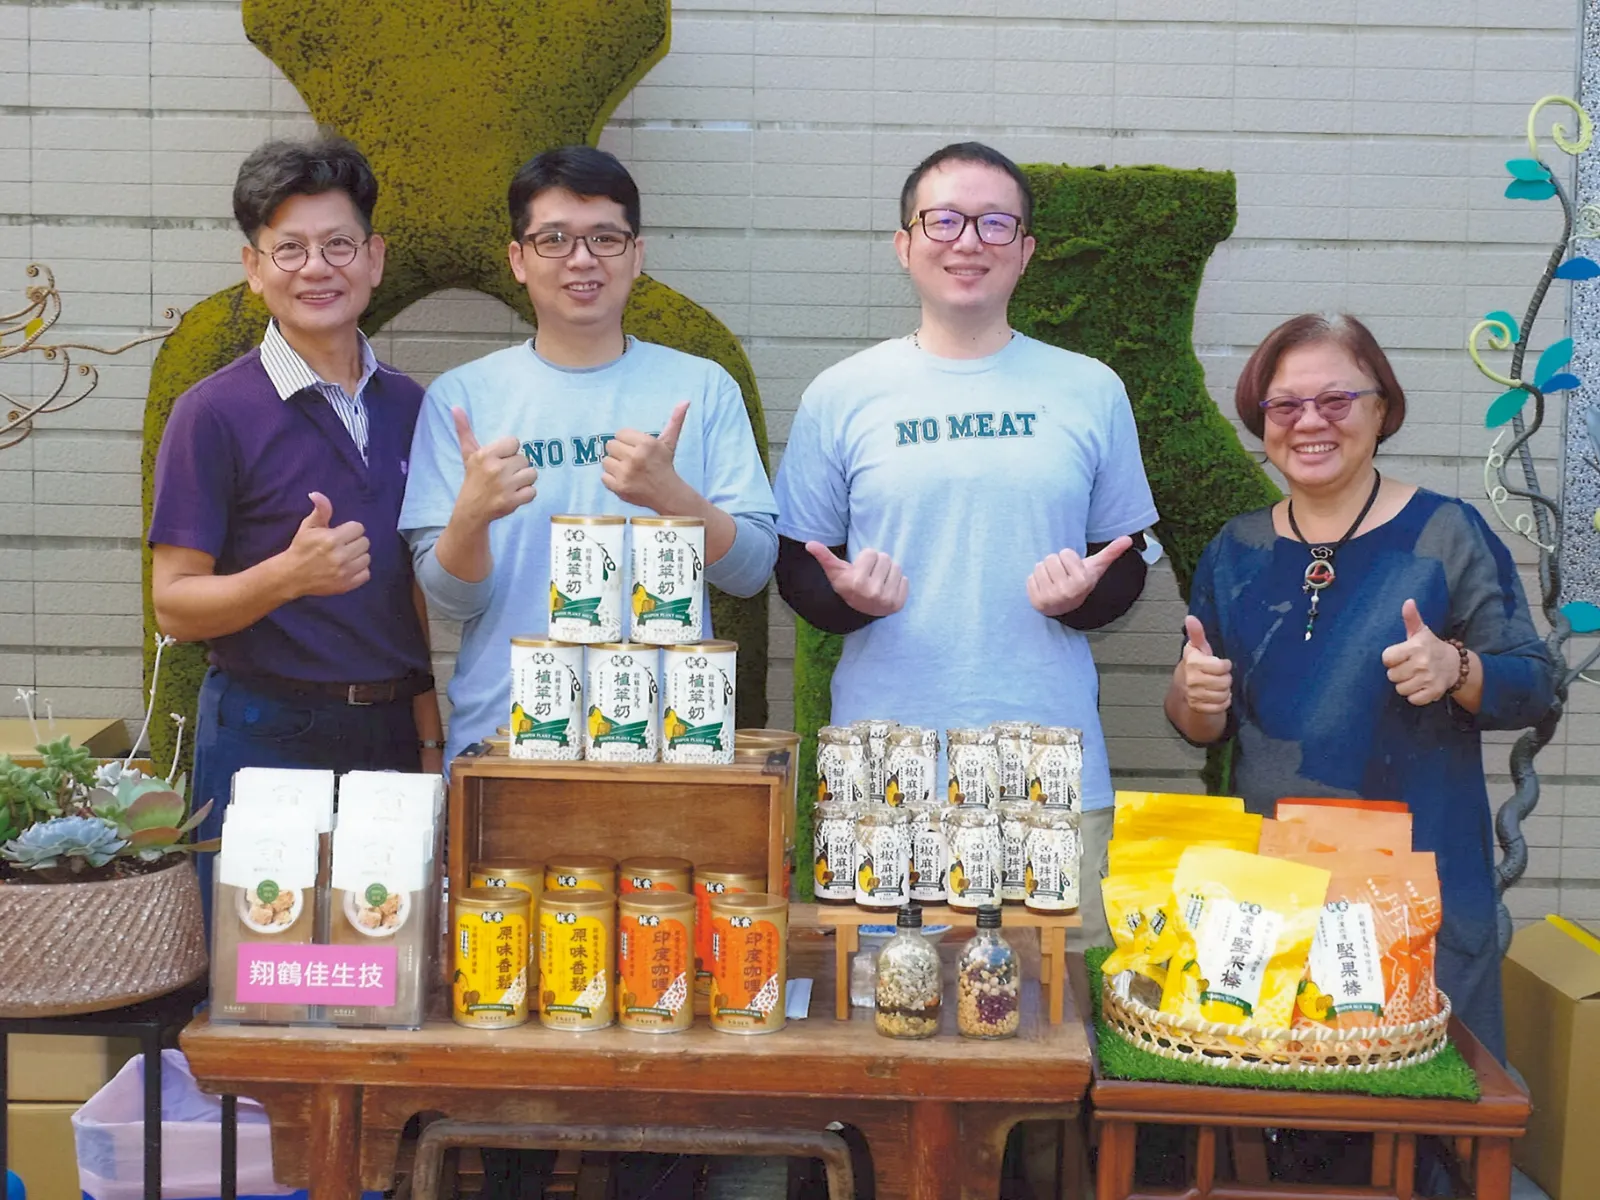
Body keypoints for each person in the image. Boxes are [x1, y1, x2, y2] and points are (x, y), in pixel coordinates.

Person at [774, 141, 1159, 947]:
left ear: (1026, 250)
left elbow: (1124, 562)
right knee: (884, 994)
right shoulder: (841, 394)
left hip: (1044, 761)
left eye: (994, 223)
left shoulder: (1090, 388)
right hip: (886, 764)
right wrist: (849, 602)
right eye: (943, 220)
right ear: (904, 244)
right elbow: (799, 570)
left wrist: (1083, 598)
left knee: (1047, 1003)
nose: (969, 241)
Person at [1165, 312, 1555, 1062]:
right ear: (1261, 421)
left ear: (1382, 410)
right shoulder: (1236, 548)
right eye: (1285, 404)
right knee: (1277, 1101)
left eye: (1336, 400)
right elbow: (1201, 721)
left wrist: (1458, 669)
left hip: (1414, 892)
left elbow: (1536, 685)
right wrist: (1194, 696)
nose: (1310, 421)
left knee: (1421, 1103)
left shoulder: (1446, 533)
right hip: (1272, 891)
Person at [398, 145, 777, 764]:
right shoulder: (462, 397)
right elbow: (450, 602)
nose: (582, 259)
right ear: (518, 260)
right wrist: (472, 517)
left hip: (667, 739)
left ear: (636, 255)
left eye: (605, 238)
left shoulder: (701, 387)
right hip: (506, 736)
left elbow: (752, 570)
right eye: (554, 239)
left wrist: (673, 499)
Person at [149, 136, 443, 923]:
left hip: (389, 737)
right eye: (290, 249)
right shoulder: (212, 413)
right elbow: (174, 604)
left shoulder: (411, 406)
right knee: (263, 964)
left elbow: (409, 590)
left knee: (384, 959)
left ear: (374, 259)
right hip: (266, 735)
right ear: (255, 268)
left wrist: (429, 739)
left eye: (339, 244)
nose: (317, 268)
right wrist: (288, 576)